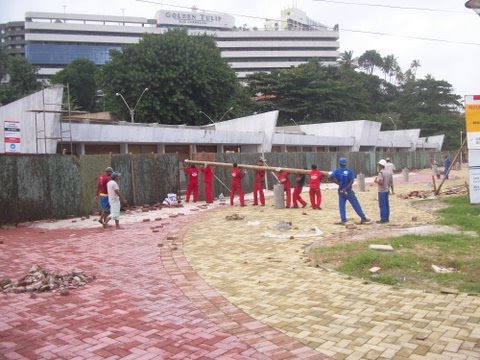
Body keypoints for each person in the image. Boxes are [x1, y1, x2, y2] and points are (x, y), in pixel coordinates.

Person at [329, 157, 371, 225]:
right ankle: (363, 218)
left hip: (341, 190)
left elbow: (329, 177)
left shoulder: (337, 171)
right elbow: (352, 181)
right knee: (355, 204)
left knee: (341, 205)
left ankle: (343, 219)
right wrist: (346, 188)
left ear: (339, 164)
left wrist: (337, 183)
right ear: (345, 163)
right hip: (348, 191)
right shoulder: (350, 171)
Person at [374, 159, 393, 224]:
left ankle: (383, 219)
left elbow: (381, 182)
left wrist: (376, 181)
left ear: (380, 165)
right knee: (387, 204)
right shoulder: (389, 172)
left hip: (381, 191)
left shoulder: (380, 173)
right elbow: (391, 182)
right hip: (387, 190)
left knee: (382, 205)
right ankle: (387, 218)